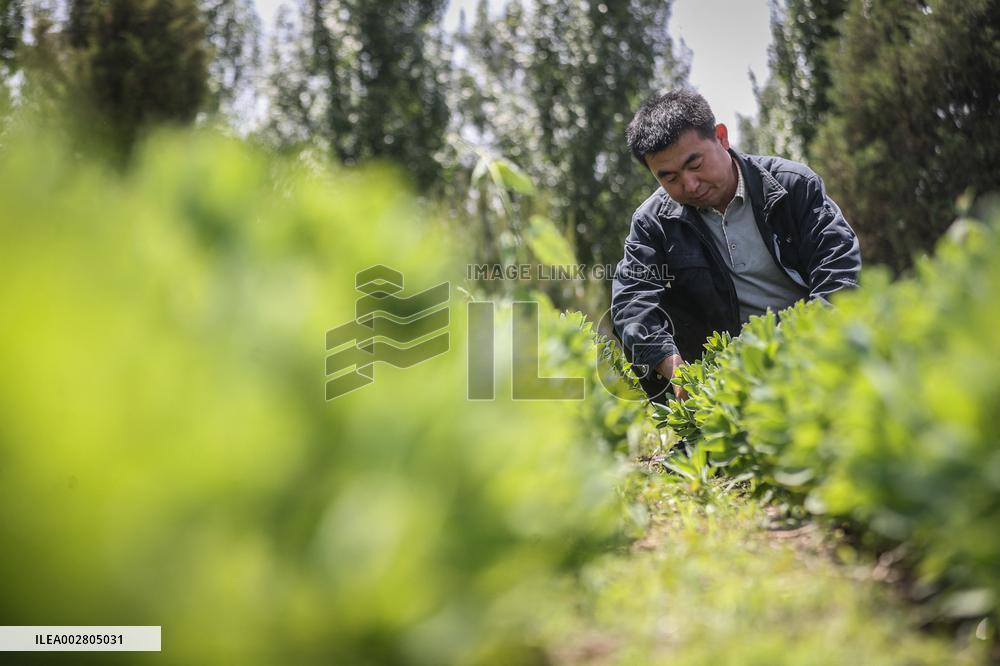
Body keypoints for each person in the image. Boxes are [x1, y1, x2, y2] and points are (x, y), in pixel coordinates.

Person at [611, 89, 861, 404]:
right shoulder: (652, 224)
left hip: (812, 349)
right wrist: (674, 367)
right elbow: (631, 302)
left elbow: (839, 271)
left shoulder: (793, 186)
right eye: (669, 177)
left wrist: (804, 343)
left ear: (721, 137)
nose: (690, 184)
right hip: (726, 379)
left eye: (695, 163)